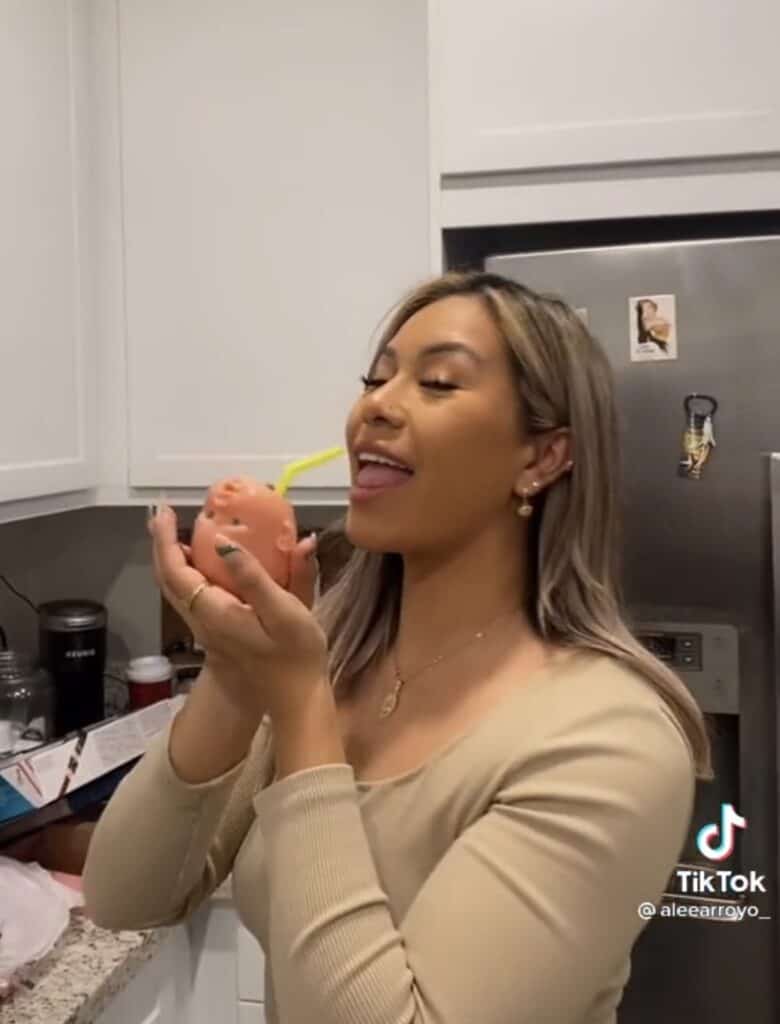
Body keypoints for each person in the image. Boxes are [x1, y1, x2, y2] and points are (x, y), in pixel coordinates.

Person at [83, 271, 711, 1024]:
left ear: (542, 458)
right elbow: (127, 894)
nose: (375, 405)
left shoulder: (609, 741)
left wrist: (300, 702)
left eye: (439, 382)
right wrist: (236, 673)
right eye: (375, 379)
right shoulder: (336, 658)